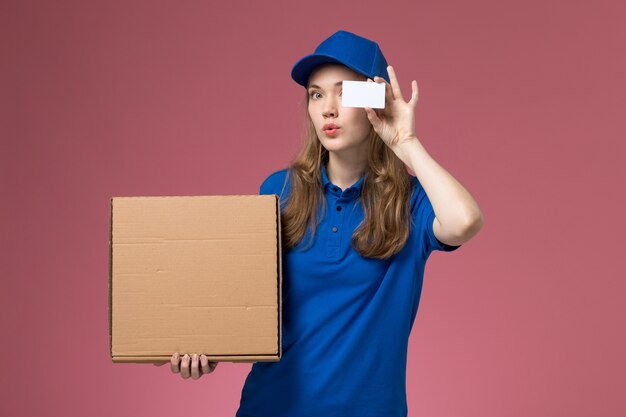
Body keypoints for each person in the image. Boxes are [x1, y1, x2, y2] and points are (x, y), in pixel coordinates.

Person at [160, 29, 484, 416]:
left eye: (345, 92)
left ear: (375, 101)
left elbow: (464, 222)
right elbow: (245, 300)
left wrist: (406, 141)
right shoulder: (279, 189)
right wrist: (208, 347)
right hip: (271, 406)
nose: (328, 108)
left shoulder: (410, 201)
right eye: (316, 94)